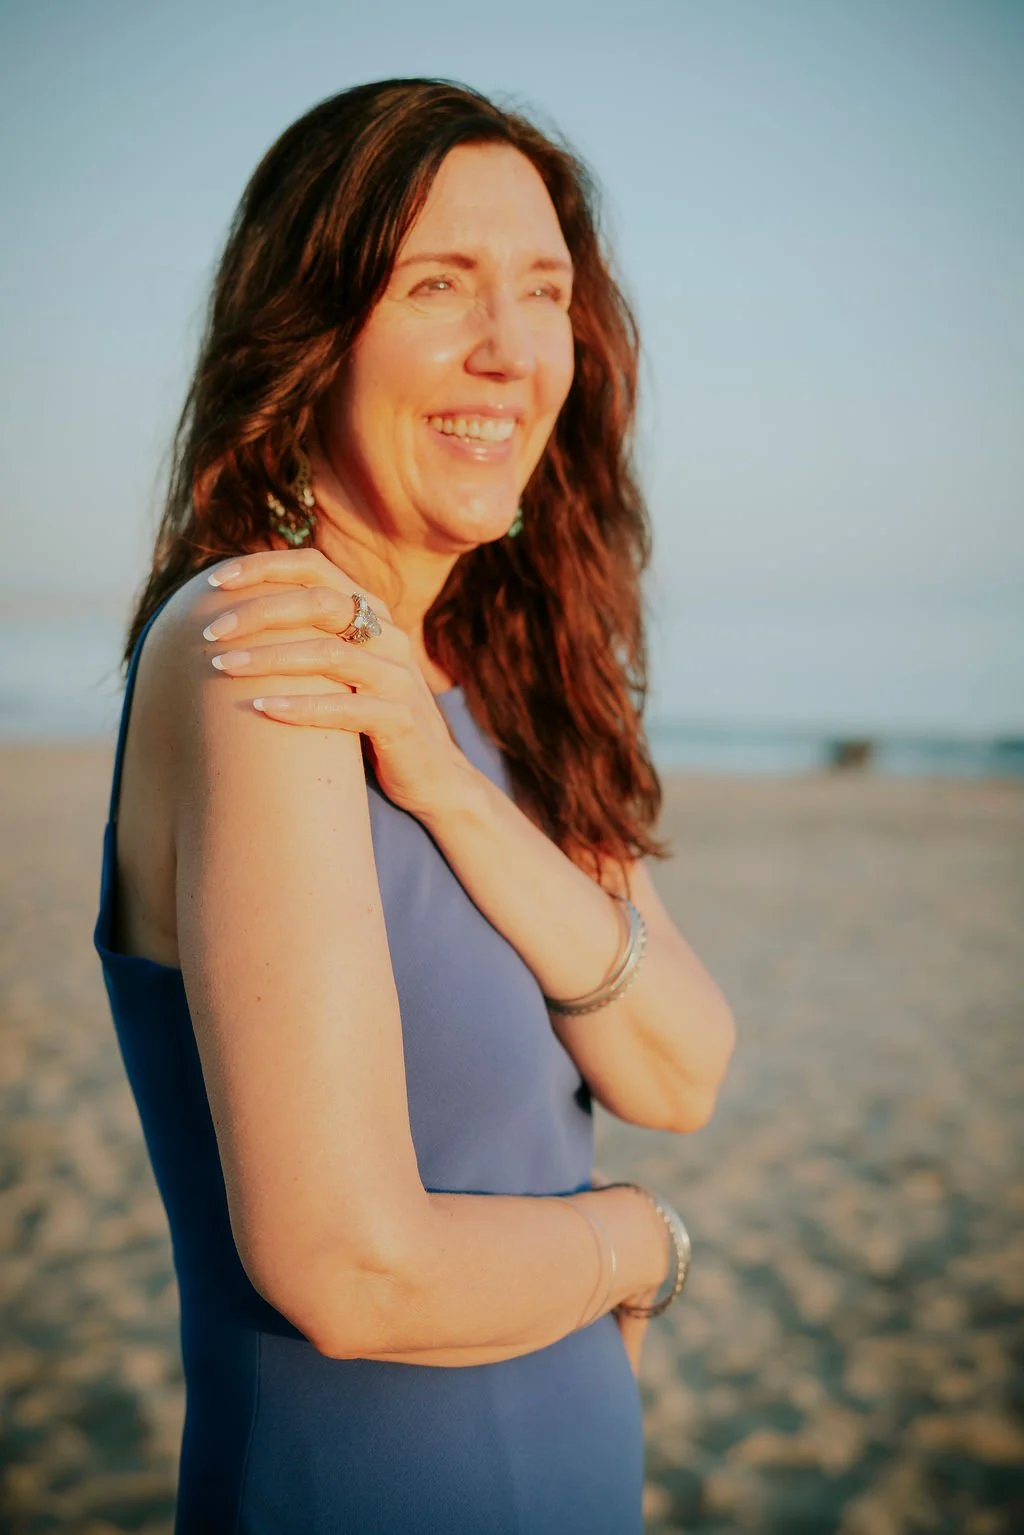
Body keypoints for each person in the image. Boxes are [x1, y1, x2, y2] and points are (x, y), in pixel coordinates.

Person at [94, 77, 737, 1534]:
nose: (508, 348)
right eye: (439, 283)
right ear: (312, 331)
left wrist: (448, 788)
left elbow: (681, 1067)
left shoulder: (505, 668)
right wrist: (635, 1239)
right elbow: (346, 1265)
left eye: (543, 288)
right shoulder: (259, 638)